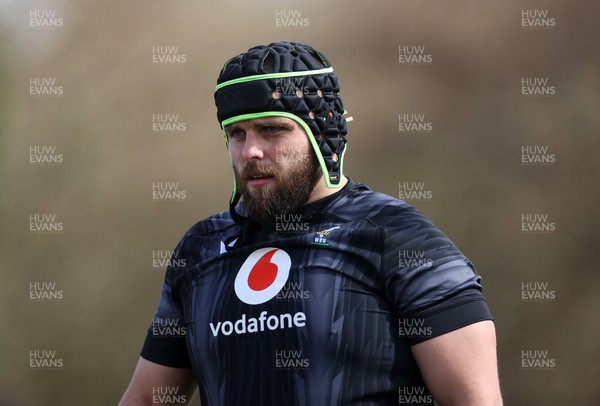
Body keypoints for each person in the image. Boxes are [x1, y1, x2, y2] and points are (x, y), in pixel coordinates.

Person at [120, 41, 503, 406]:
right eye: (237, 133)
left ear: (324, 134)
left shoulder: (398, 238)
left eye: (271, 129)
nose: (250, 151)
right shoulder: (201, 249)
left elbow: (474, 399)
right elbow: (145, 399)